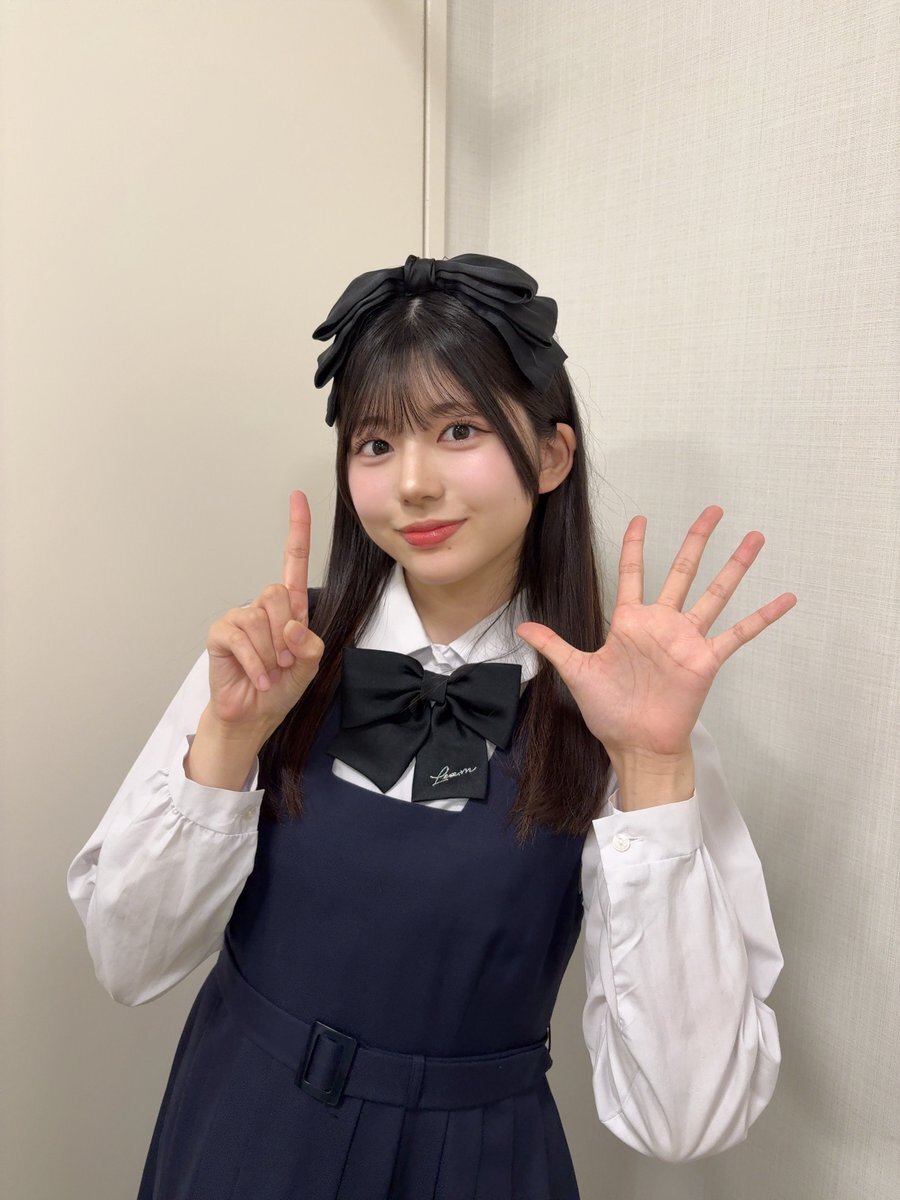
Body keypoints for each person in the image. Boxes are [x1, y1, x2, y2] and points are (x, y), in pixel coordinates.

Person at [67, 252, 794, 1200]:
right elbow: (129, 965)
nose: (411, 484)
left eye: (458, 430)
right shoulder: (273, 659)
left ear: (551, 456)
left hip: (476, 1166)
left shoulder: (629, 722)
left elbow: (685, 1120)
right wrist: (231, 741)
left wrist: (652, 768)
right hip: (243, 1133)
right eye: (375, 444)